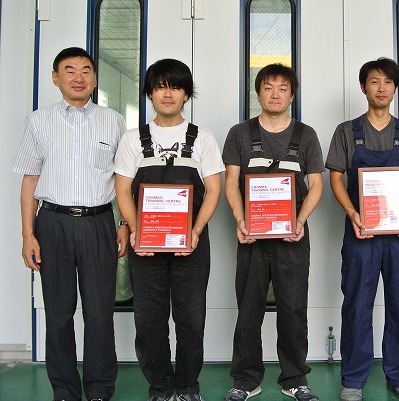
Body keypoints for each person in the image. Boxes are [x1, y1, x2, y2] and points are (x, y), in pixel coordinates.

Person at [12, 47, 128, 401]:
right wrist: (28, 234)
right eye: (70, 70)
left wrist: (124, 224)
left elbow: (124, 181)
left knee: (99, 313)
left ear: (94, 78)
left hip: (99, 224)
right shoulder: (39, 121)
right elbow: (30, 180)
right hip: (53, 224)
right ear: (55, 78)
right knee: (59, 313)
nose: (79, 77)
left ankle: (99, 388)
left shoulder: (114, 121)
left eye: (86, 70)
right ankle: (64, 390)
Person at [114, 59, 224, 401]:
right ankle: (160, 385)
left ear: (186, 94)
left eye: (175, 87)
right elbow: (122, 190)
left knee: (191, 319)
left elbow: (214, 189)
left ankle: (188, 385)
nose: (167, 93)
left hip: (191, 243)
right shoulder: (133, 139)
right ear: (150, 92)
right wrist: (136, 231)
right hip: (145, 245)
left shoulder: (202, 138)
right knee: (149, 320)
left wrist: (196, 230)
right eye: (160, 86)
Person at [325, 57, 399, 401]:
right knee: (357, 305)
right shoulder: (346, 132)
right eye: (374, 81)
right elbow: (335, 178)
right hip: (361, 234)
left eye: (387, 82)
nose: (381, 88)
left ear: (395, 88)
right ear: (363, 87)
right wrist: (353, 212)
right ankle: (354, 379)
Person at [222, 63, 324, 401]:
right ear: (258, 93)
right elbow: (231, 183)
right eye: (268, 87)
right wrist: (240, 220)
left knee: (293, 310)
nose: (275, 94)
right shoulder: (240, 134)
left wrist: (300, 221)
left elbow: (316, 185)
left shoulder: (305, 135)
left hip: (292, 239)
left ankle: (294, 378)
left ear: (292, 95)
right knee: (248, 310)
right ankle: (246, 380)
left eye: (282, 88)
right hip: (252, 238)